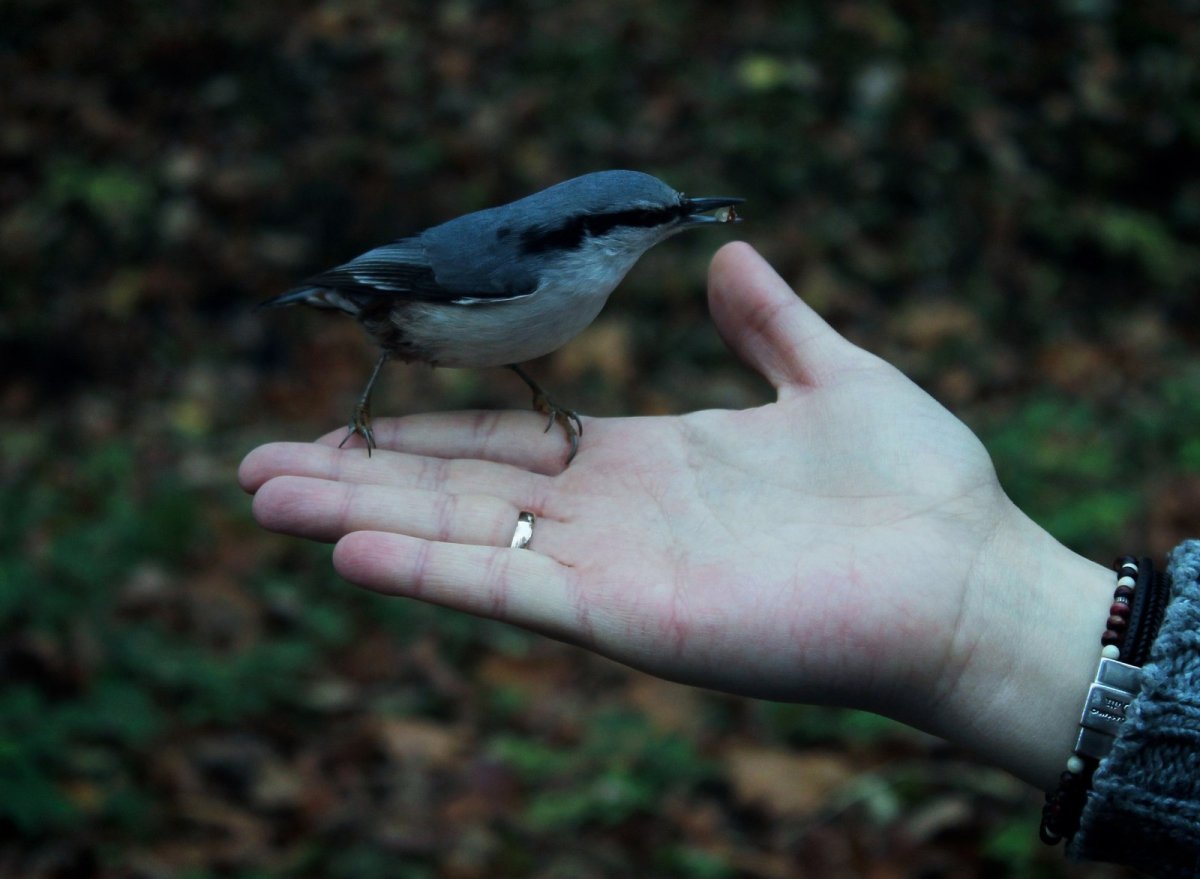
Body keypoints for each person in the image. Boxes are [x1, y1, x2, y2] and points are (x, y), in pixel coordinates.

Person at [239, 242, 1199, 876]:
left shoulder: (566, 289)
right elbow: (408, 287)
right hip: (391, 305)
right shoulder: (509, 267)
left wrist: (979, 615)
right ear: (582, 235)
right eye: (639, 222)